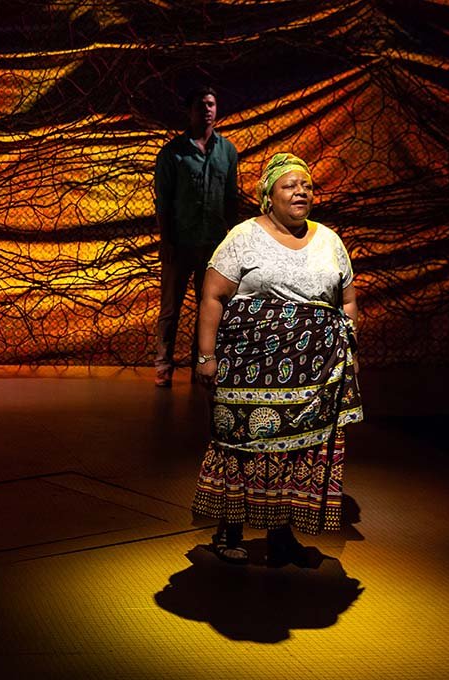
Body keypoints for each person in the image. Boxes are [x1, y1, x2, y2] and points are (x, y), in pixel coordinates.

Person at [193, 153, 362, 566]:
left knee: (297, 452)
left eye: (306, 185)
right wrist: (205, 355)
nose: (301, 191)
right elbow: (212, 296)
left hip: (314, 371)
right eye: (290, 185)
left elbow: (349, 299)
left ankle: (281, 535)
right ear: (268, 196)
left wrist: (349, 349)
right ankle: (228, 529)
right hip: (250, 365)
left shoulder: (329, 240)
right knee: (243, 445)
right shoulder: (243, 237)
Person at [153, 85, 240, 387]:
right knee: (170, 308)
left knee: (209, 308)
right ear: (189, 111)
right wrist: (167, 241)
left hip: (213, 246)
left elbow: (231, 198)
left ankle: (199, 367)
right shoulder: (172, 154)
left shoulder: (227, 151)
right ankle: (163, 366)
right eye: (201, 104)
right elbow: (163, 201)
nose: (207, 109)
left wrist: (233, 241)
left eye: (212, 104)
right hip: (180, 243)